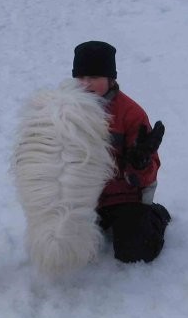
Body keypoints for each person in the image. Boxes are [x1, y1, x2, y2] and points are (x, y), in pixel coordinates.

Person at [72, 40, 171, 263]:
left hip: (124, 196)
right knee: (68, 246)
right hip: (85, 198)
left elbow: (149, 172)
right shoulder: (65, 111)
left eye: (94, 78)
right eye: (81, 78)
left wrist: (140, 163)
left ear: (110, 78)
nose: (86, 84)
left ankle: (155, 215)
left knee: (134, 252)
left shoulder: (130, 114)